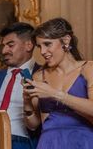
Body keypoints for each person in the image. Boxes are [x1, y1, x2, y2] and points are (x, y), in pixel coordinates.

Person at [23, 18, 93, 148]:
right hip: (50, 142)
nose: (42, 52)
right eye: (39, 46)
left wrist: (55, 94)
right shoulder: (39, 76)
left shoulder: (88, 68)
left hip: (83, 141)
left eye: (47, 44)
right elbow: (34, 125)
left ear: (66, 40)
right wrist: (27, 103)